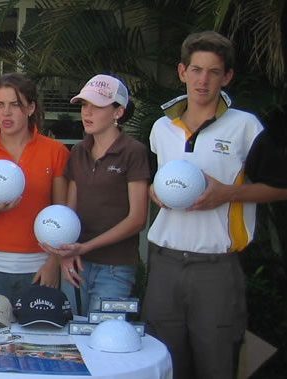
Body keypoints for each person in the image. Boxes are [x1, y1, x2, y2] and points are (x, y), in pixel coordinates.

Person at [143, 31, 272, 379]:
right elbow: (162, 178)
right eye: (196, 70)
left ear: (226, 76)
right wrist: (157, 190)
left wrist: (227, 194)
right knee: (164, 365)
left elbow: (278, 188)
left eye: (213, 72)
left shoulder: (246, 127)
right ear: (182, 71)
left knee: (216, 365)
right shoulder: (161, 128)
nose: (203, 80)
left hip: (216, 268)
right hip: (164, 263)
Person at [45, 75, 148, 315]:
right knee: (73, 339)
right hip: (76, 265)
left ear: (118, 112)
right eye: (84, 105)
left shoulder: (133, 152)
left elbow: (137, 219)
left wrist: (83, 247)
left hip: (115, 267)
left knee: (106, 340)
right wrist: (66, 252)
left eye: (97, 106)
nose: (87, 113)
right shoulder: (79, 151)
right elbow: (70, 211)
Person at [0, 73, 68, 300]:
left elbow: (64, 215)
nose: (6, 113)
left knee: (38, 336)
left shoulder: (55, 152)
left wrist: (53, 263)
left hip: (38, 267)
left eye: (15, 105)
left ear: (30, 108)